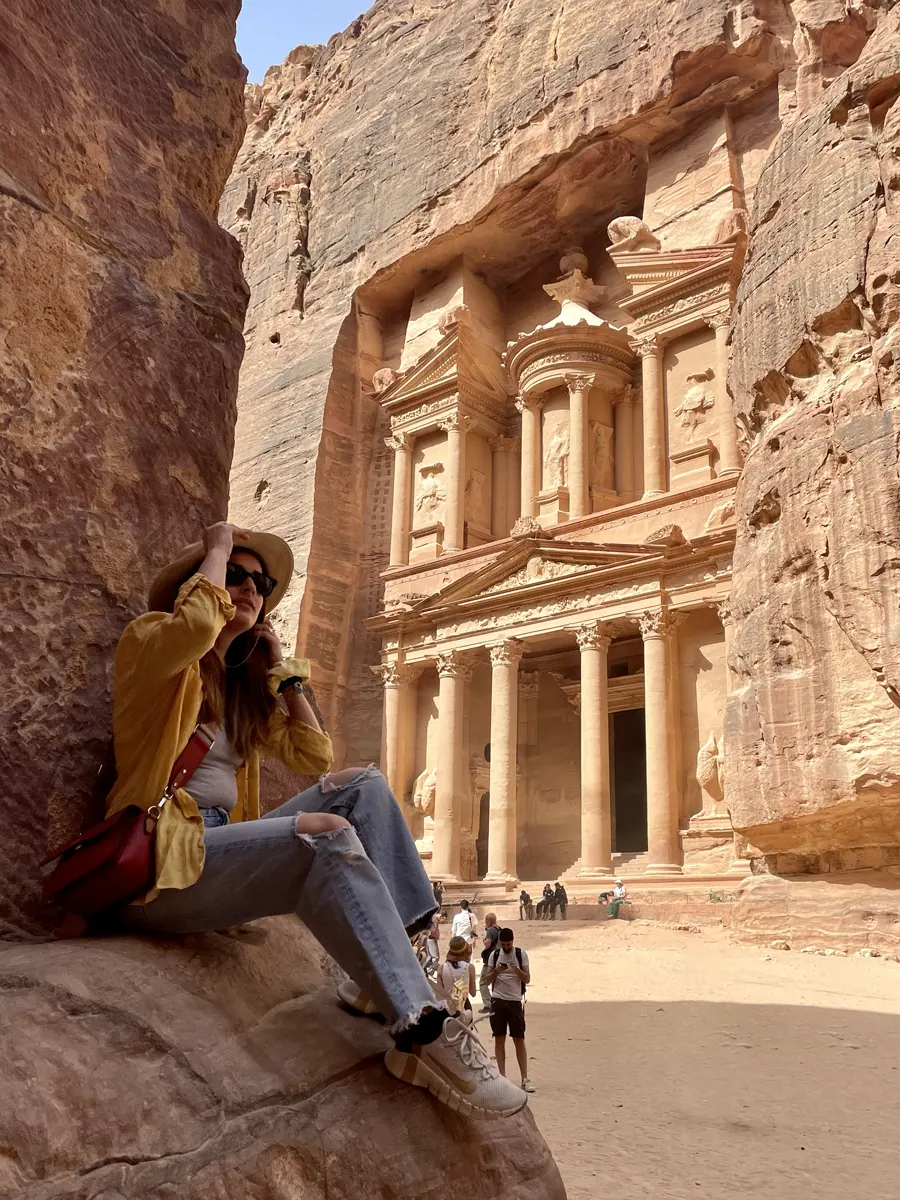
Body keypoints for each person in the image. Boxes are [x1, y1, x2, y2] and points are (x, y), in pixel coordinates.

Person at [107, 522, 525, 1120]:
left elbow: (314, 755)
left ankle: (383, 974)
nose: (251, 588)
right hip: (160, 864)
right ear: (198, 584)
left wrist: (285, 671)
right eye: (235, 577)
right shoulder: (148, 645)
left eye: (262, 581)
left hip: (217, 849)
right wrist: (216, 544)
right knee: (321, 835)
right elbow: (196, 628)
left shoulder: (237, 690)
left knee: (362, 786)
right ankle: (424, 1034)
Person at [483, 928, 535, 1094]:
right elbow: (486, 980)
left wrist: (517, 970)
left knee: (519, 1039)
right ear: (500, 942)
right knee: (499, 1039)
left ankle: (524, 1078)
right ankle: (503, 1078)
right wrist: (496, 971)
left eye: (509, 944)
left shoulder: (521, 954)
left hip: (514, 1001)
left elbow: (527, 978)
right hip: (498, 1000)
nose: (506, 947)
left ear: (513, 942)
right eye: (504, 944)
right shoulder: (495, 955)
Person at [436, 936, 476, 1021]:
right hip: (465, 1008)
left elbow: (439, 995)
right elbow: (473, 993)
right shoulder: (470, 968)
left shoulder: (441, 968)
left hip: (447, 1011)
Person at [480, 912, 501, 1014]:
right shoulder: (500, 929)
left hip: (490, 960)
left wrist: (484, 940)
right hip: (498, 959)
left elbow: (487, 944)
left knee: (483, 982)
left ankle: (488, 1004)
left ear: (489, 921)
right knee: (495, 982)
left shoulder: (490, 930)